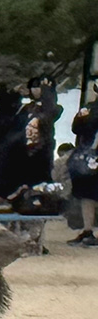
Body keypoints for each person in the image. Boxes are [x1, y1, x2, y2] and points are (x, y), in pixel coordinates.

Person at [67, 104, 98, 246]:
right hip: (87, 155)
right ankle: (88, 230)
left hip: (92, 152)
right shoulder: (89, 107)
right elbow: (76, 129)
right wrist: (81, 119)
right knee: (87, 194)